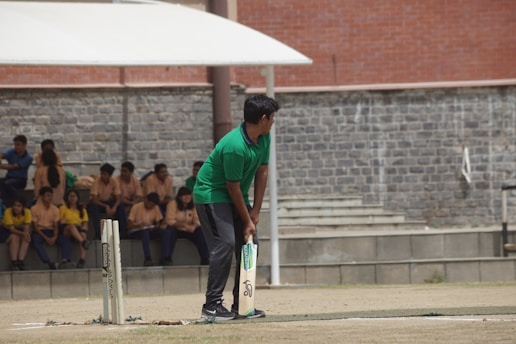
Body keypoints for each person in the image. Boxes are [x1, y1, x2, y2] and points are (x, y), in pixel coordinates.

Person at [194, 94, 279, 321]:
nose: (273, 122)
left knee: (249, 245)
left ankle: (242, 304)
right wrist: (247, 220)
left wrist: (255, 212)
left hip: (236, 194)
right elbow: (231, 188)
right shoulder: (235, 146)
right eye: (272, 118)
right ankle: (211, 306)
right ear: (263, 118)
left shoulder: (264, 137)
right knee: (225, 243)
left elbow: (262, 172)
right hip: (211, 193)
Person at [30, 186, 74, 269]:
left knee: (66, 240)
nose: (50, 198)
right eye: (47, 195)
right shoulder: (34, 209)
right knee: (35, 240)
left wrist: (54, 237)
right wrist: (46, 238)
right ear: (41, 196)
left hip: (51, 231)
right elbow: (35, 227)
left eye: (51, 195)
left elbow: (56, 226)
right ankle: (48, 262)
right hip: (40, 231)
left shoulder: (55, 209)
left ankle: (65, 260)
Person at [165, 186, 209, 265]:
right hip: (176, 228)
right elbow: (169, 220)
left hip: (189, 229)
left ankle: (205, 258)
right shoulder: (172, 204)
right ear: (179, 197)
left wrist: (194, 226)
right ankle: (166, 258)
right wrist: (182, 225)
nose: (187, 197)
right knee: (169, 231)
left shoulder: (193, 204)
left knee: (201, 231)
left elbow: (197, 220)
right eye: (184, 195)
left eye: (189, 195)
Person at [127, 192, 172, 266]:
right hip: (137, 230)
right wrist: (138, 226)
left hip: (149, 229)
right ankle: (148, 258)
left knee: (165, 232)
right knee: (144, 232)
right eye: (150, 204)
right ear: (146, 200)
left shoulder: (155, 208)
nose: (151, 206)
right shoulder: (136, 207)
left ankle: (165, 257)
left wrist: (155, 227)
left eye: (153, 205)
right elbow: (129, 225)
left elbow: (158, 222)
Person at [87, 163, 127, 239]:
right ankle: (98, 233)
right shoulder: (96, 182)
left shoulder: (114, 181)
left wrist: (114, 207)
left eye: (104, 174)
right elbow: (94, 199)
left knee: (121, 206)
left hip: (109, 202)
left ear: (109, 175)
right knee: (94, 208)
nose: (102, 176)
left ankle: (123, 232)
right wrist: (106, 206)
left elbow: (118, 197)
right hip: (98, 203)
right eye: (101, 174)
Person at [59, 189, 90, 268]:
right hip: (66, 229)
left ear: (77, 198)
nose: (72, 198)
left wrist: (84, 228)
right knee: (71, 227)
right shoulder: (63, 208)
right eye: (70, 196)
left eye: (74, 196)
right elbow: (60, 221)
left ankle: (82, 259)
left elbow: (85, 223)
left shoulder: (82, 210)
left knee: (83, 234)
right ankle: (83, 242)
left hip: (78, 228)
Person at [0, 135, 33, 206]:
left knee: (7, 184)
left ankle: (20, 201)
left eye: (18, 145)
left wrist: (1, 166)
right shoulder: (11, 151)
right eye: (15, 144)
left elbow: (14, 167)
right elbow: (2, 155)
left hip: (20, 180)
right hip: (9, 177)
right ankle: (5, 204)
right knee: (2, 182)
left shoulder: (28, 158)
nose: (16, 147)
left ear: (24, 145)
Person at [0, 197, 32, 271]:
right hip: (5, 231)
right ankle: (14, 262)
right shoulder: (8, 211)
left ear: (23, 207)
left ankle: (20, 261)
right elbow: (12, 229)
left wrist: (26, 234)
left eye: (19, 206)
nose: (15, 208)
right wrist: (23, 233)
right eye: (14, 205)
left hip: (19, 230)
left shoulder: (27, 212)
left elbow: (27, 227)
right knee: (15, 237)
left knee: (26, 237)